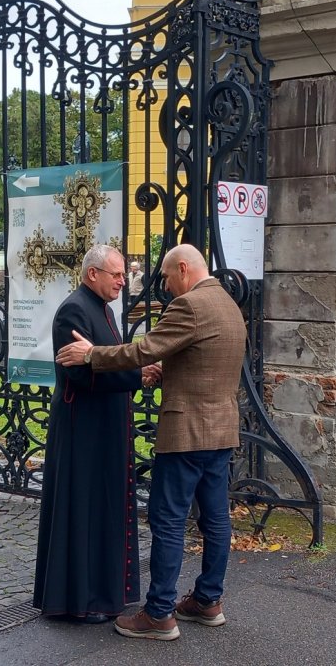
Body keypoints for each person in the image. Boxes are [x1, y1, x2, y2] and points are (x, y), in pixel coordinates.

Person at [56, 243, 247, 642]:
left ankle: (159, 613)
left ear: (183, 268)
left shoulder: (190, 305)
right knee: (215, 519)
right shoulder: (228, 303)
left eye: (167, 276)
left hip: (187, 434)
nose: (165, 284)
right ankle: (208, 600)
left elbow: (145, 349)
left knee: (168, 520)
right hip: (222, 431)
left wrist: (92, 354)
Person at [33, 244, 158, 624]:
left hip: (105, 426)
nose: (124, 280)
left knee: (106, 507)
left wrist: (136, 371)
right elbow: (80, 373)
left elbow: (106, 359)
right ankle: (83, 600)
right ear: (93, 274)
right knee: (85, 510)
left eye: (123, 274)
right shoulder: (74, 310)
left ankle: (106, 593)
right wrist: (139, 375)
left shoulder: (102, 308)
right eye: (117, 274)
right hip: (82, 432)